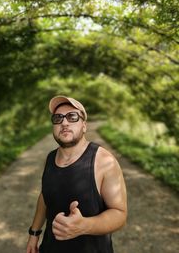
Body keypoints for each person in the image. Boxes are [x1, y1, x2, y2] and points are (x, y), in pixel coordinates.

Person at [26, 95, 127, 253]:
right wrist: (34, 233)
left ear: (84, 125)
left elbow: (120, 214)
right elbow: (45, 196)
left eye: (72, 117)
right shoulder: (50, 158)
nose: (64, 122)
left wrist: (83, 226)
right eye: (58, 118)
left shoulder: (104, 161)